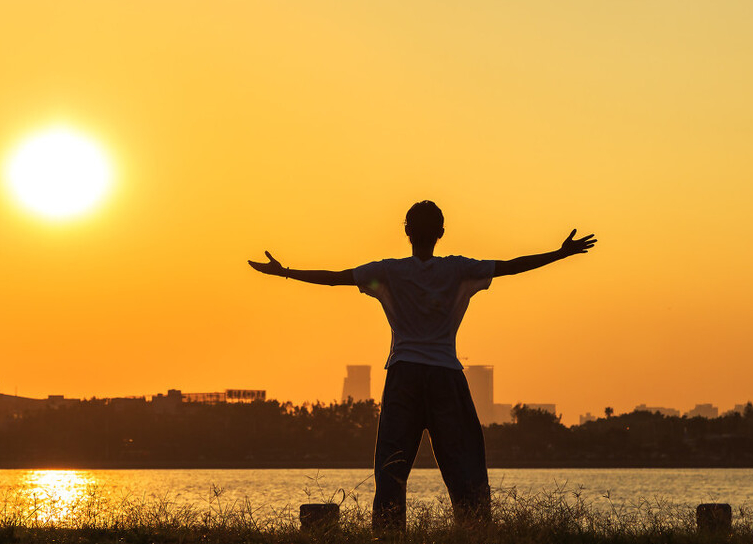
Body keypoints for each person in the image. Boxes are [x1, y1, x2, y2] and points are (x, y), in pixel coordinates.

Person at [248, 200, 595, 530]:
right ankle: (473, 530)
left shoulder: (389, 272)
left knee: (391, 468)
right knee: (465, 467)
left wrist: (287, 273)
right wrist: (560, 254)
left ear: (407, 232)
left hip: (404, 377)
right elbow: (509, 266)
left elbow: (338, 277)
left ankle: (388, 534)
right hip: (445, 377)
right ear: (441, 232)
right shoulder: (458, 270)